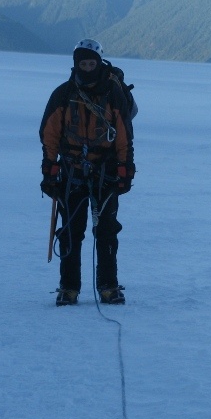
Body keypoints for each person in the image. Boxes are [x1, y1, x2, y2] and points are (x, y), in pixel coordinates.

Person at [39, 39, 135, 306]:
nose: (88, 67)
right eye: (84, 63)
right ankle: (68, 288)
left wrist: (126, 171)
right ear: (76, 64)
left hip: (106, 173)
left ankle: (108, 287)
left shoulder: (113, 95)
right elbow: (50, 135)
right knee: (70, 231)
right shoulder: (63, 94)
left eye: (92, 63)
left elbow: (124, 137)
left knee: (106, 232)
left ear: (99, 62)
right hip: (72, 173)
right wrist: (49, 171)